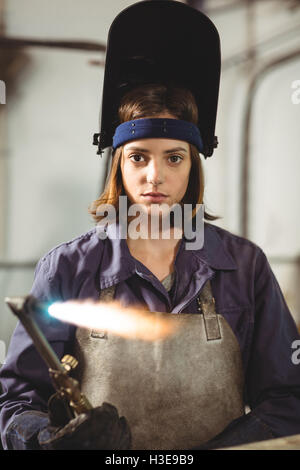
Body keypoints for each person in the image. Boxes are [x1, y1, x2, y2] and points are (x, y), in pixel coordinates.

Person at [0, 82, 300, 450]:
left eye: (173, 158)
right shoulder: (66, 267)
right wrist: (50, 439)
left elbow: (287, 397)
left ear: (193, 166)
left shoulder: (245, 266)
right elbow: (18, 398)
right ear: (119, 165)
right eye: (139, 157)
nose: (154, 176)